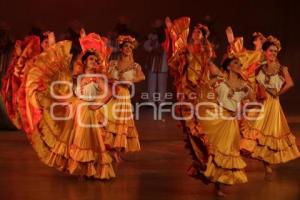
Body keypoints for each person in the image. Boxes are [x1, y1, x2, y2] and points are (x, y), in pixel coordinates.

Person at [18, 32, 116, 179]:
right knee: (77, 141)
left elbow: (109, 93)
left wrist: (97, 105)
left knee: (85, 141)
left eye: (95, 60)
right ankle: (84, 170)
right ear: (84, 62)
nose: (93, 62)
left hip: (87, 112)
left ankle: (91, 170)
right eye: (90, 59)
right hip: (77, 110)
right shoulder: (80, 78)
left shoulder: (97, 78)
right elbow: (66, 82)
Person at [240, 36, 300, 177]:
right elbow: (251, 83)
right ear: (265, 52)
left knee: (270, 134)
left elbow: (290, 83)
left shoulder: (281, 68)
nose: (273, 53)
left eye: (275, 51)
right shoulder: (259, 68)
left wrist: (278, 92)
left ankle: (267, 165)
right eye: (271, 51)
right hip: (261, 103)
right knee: (254, 132)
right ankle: (240, 161)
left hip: (273, 105)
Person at [101, 35, 145, 162]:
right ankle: (109, 150)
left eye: (131, 47)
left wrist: (131, 80)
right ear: (121, 48)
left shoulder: (135, 66)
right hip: (112, 95)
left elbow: (142, 77)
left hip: (124, 96)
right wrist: (113, 80)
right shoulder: (113, 63)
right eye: (126, 46)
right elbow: (106, 76)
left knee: (120, 124)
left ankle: (115, 151)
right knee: (109, 123)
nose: (128, 49)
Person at [143, 19, 168, 104]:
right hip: (152, 62)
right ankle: (151, 101)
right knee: (151, 82)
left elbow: (168, 48)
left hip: (163, 62)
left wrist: (161, 50)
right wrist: (152, 49)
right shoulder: (151, 35)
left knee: (162, 82)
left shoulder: (166, 36)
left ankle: (162, 101)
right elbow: (145, 45)